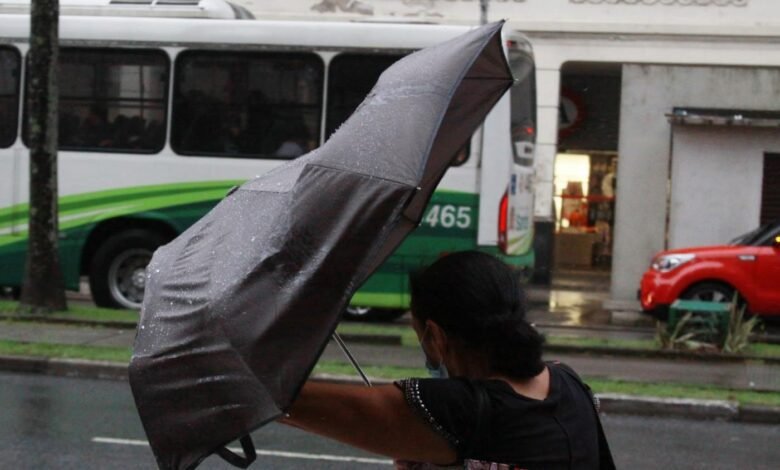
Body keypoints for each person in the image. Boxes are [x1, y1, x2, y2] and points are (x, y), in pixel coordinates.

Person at [281, 251, 614, 469]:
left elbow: (286, 400)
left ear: (436, 338)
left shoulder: (456, 408)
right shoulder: (569, 383)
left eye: (421, 339)